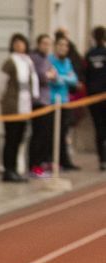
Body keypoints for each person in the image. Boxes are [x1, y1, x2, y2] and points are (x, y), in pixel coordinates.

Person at [0, 33, 39, 182]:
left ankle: (15, 168)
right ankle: (8, 169)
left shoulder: (28, 61)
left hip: (25, 104)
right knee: (11, 137)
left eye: (21, 43)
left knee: (19, 138)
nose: (19, 46)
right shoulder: (10, 61)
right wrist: (2, 98)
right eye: (16, 43)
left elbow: (32, 81)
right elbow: (1, 82)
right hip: (12, 105)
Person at [49, 36, 80, 170]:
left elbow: (74, 80)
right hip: (51, 101)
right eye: (61, 45)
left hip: (65, 101)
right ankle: (50, 161)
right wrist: (64, 78)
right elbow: (52, 79)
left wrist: (60, 77)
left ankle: (64, 161)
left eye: (66, 45)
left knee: (64, 132)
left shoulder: (67, 62)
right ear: (55, 46)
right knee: (52, 133)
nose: (63, 48)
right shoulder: (49, 60)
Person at [29, 34, 57, 177]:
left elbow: (55, 75)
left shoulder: (47, 59)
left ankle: (41, 163)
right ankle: (34, 165)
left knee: (46, 134)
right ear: (39, 44)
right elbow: (42, 76)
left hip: (47, 101)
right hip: (37, 102)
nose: (47, 46)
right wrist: (49, 75)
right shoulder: (34, 58)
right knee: (38, 135)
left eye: (49, 44)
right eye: (44, 43)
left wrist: (51, 75)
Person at [84, 25, 106, 171]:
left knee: (99, 128)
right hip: (100, 95)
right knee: (101, 128)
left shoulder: (89, 54)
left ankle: (102, 159)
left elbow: (85, 74)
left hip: (92, 95)